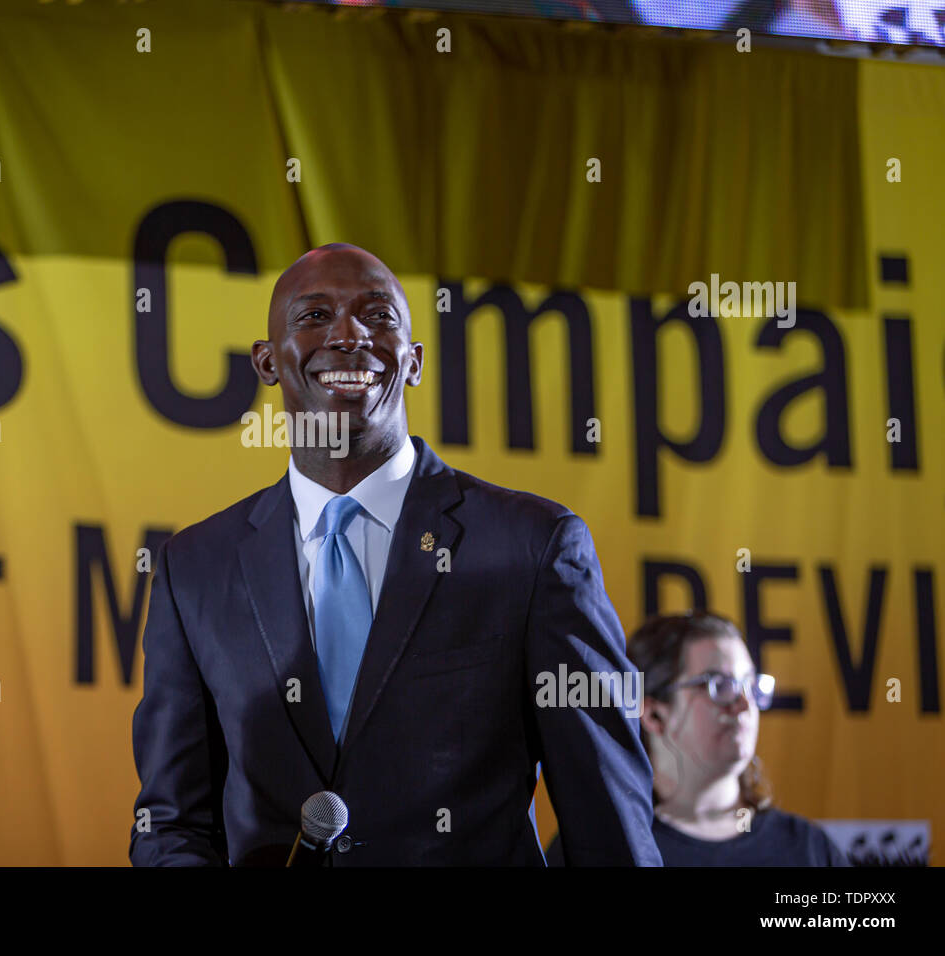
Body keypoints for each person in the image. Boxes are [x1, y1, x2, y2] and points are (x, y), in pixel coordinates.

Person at [129, 243, 661, 866]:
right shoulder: (196, 567)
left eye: (378, 316)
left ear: (414, 362)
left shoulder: (533, 545)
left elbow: (607, 815)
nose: (349, 334)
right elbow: (171, 822)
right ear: (267, 361)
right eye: (314, 315)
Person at [547, 611, 849, 865]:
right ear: (653, 715)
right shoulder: (596, 849)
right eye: (720, 685)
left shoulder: (808, 850)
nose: (745, 705)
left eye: (750, 684)